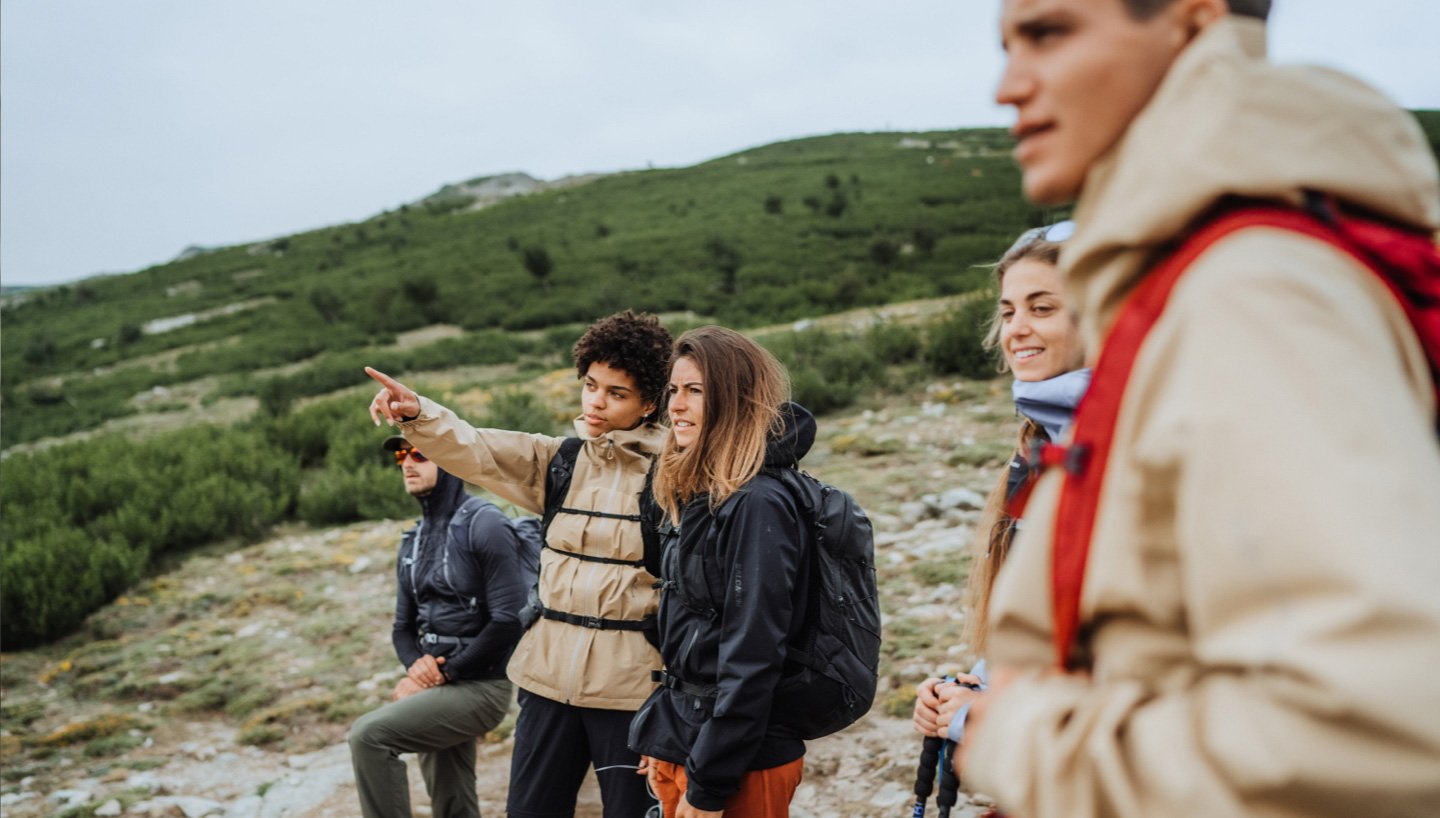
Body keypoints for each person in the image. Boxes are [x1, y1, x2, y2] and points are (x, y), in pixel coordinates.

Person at [960, 1, 1440, 816]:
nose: (1007, 86)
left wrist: (1020, 738)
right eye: (1006, 45)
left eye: (1048, 33)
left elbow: (1373, 724)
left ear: (1194, 17)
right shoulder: (1203, 280)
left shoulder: (1248, 291)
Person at [366, 310, 673, 818]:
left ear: (649, 403)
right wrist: (416, 414)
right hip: (545, 684)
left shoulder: (676, 476)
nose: (595, 401)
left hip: (632, 694)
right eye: (591, 385)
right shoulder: (560, 461)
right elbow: (476, 449)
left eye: (616, 393)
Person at [911, 221, 1087, 745]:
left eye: (1042, 308)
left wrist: (985, 716)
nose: (1015, 329)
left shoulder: (1134, 448)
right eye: (1008, 311)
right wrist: (978, 684)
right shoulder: (1036, 447)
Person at [629, 326, 814, 818]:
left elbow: (754, 654)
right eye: (673, 391)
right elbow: (687, 629)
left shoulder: (759, 504)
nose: (676, 406)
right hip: (687, 738)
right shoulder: (699, 494)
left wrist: (709, 784)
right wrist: (663, 732)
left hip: (740, 761)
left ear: (734, 399)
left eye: (695, 391)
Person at [348, 437, 530, 818]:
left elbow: (508, 619)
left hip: (483, 685)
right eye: (402, 455)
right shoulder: (414, 538)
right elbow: (402, 627)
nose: (407, 463)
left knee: (369, 737)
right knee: (451, 793)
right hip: (439, 683)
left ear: (449, 461)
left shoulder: (486, 523)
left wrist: (442, 674)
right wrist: (417, 668)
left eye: (419, 453)